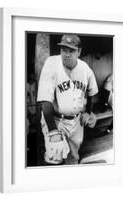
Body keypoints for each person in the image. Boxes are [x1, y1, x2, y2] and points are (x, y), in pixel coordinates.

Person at [37, 34, 98, 165]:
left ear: (79, 52)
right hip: (55, 120)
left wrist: (88, 111)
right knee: (55, 157)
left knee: (73, 158)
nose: (67, 54)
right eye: (64, 50)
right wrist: (53, 132)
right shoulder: (51, 63)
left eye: (71, 50)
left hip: (76, 122)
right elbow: (45, 100)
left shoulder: (85, 68)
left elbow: (91, 91)